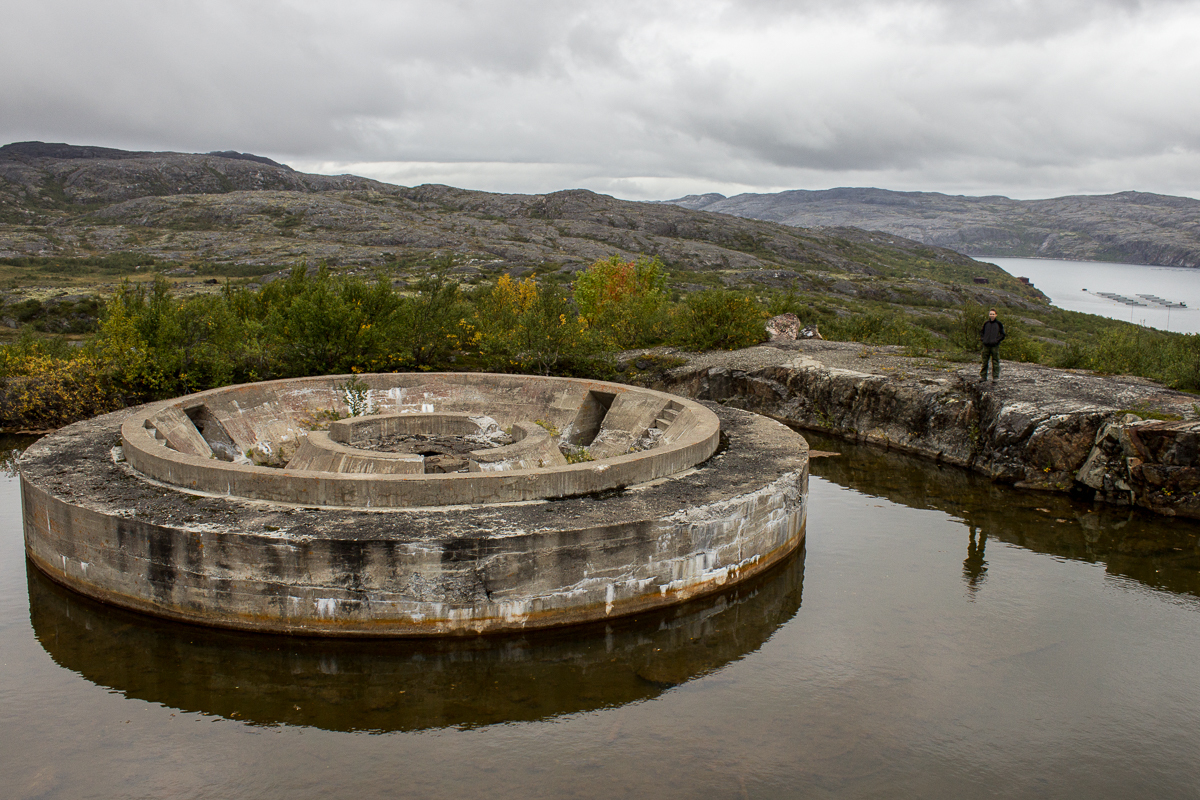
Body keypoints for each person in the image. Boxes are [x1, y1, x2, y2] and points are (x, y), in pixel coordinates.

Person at [979, 308, 1005, 381]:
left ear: (996, 315)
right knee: (984, 361)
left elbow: (1003, 334)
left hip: (994, 346)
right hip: (986, 345)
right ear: (989, 315)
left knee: (995, 361)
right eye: (990, 314)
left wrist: (996, 340)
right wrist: (983, 339)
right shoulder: (986, 323)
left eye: (993, 314)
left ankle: (995, 377)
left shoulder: (998, 324)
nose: (992, 315)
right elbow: (981, 332)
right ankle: (983, 376)